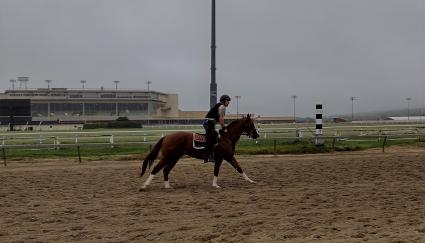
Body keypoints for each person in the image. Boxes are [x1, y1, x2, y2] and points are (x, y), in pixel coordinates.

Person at [202, 94, 231, 162]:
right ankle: (207, 156)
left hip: (209, 123)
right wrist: (224, 128)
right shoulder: (222, 107)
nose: (229, 102)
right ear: (224, 101)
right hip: (209, 123)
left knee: (214, 136)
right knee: (212, 137)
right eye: (228, 101)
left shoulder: (220, 105)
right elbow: (221, 120)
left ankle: (208, 156)